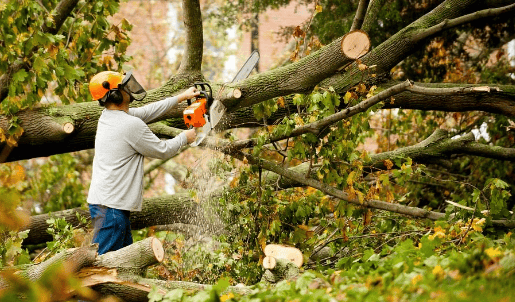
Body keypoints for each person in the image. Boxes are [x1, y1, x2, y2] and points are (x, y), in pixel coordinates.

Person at [87, 70, 199, 255]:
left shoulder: (109, 117)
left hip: (106, 204)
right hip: (112, 209)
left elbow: (148, 111)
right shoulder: (129, 125)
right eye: (124, 86)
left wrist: (181, 97)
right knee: (104, 264)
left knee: (124, 264)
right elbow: (162, 150)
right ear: (115, 94)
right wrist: (184, 138)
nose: (129, 89)